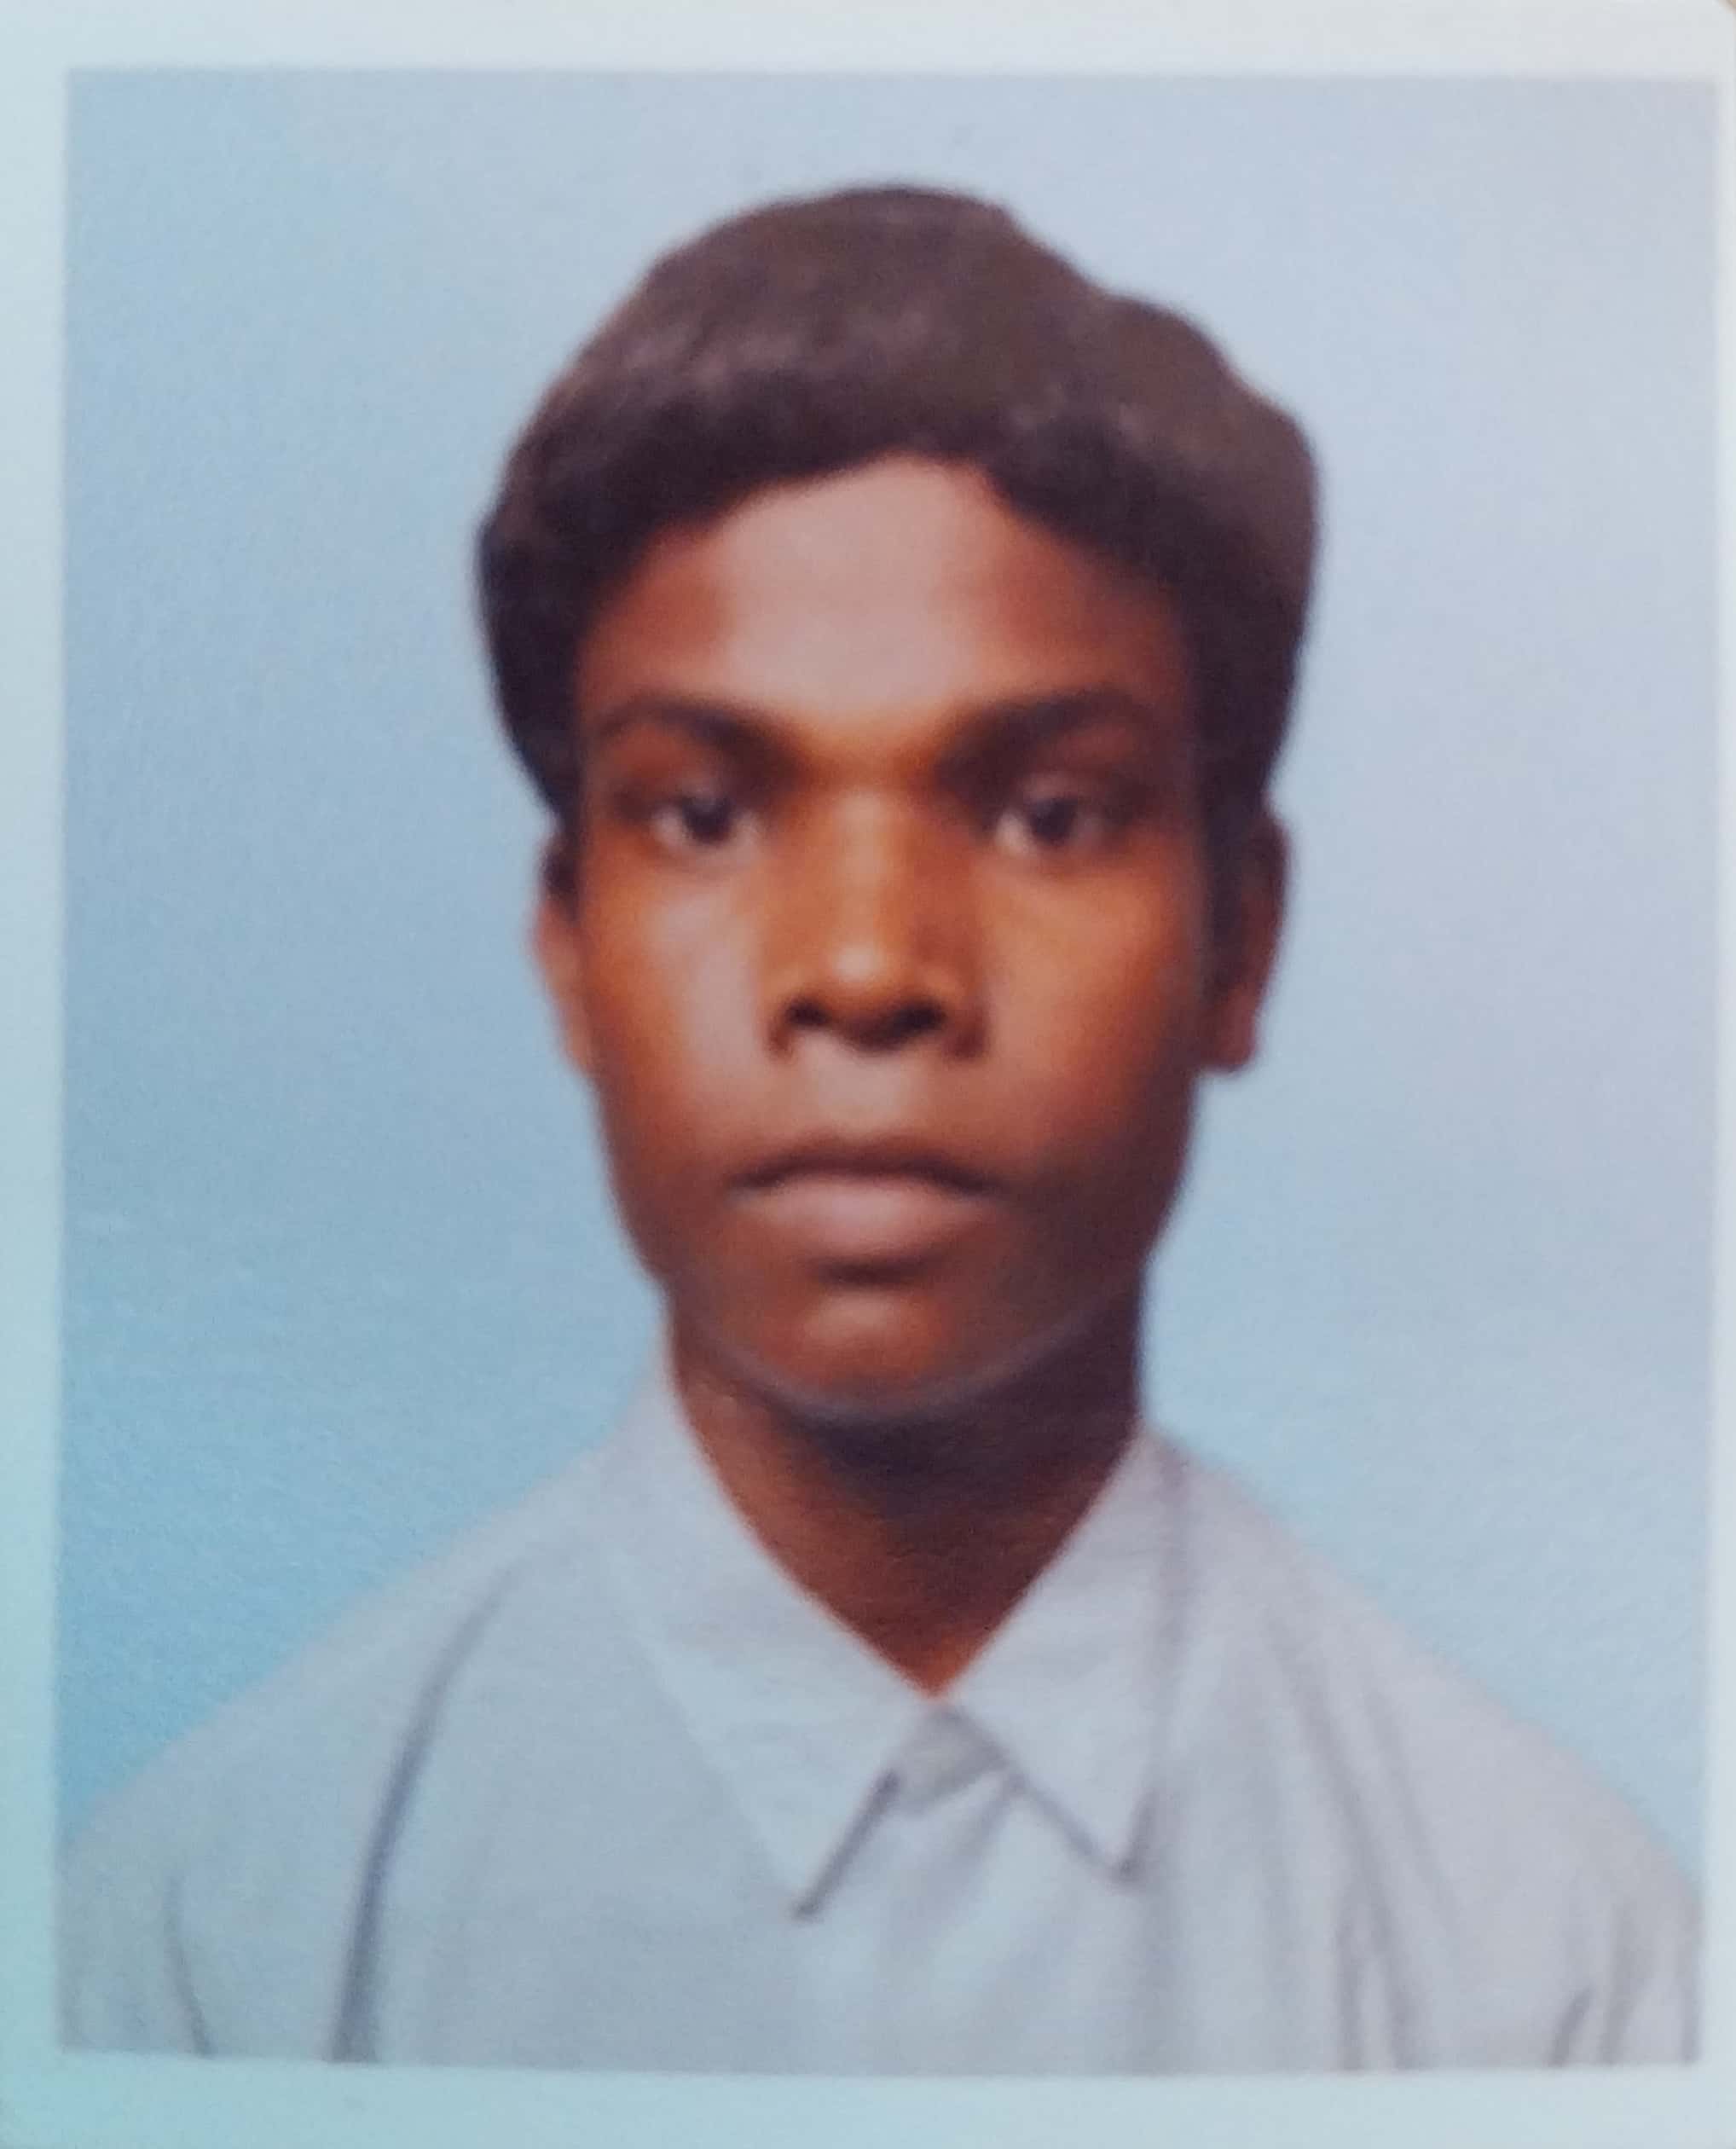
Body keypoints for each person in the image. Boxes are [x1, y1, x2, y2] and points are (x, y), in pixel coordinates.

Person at [60, 183, 1696, 2073]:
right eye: (702, 814)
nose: (862, 968)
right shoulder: (207, 1951)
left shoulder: (1556, 1975)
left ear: (1239, 940)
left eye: (1049, 814)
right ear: (570, 946)